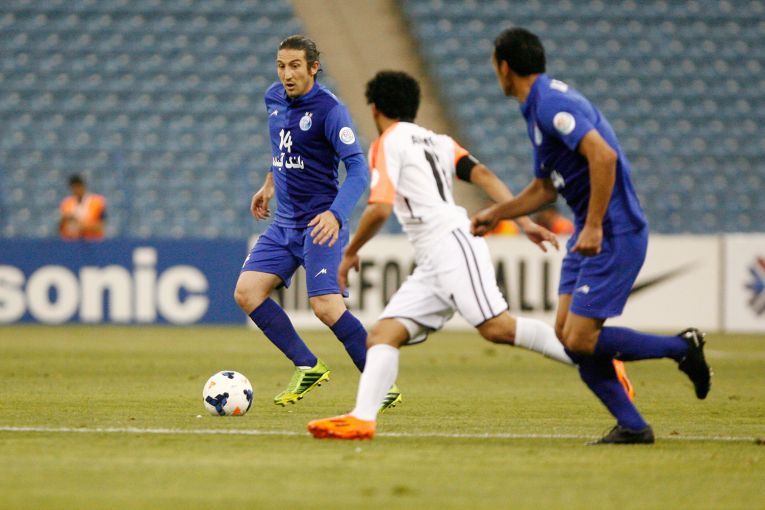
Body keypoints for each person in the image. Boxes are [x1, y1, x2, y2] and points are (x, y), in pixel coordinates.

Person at [307, 71, 632, 440]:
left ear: (375, 109)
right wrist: (524, 222)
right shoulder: (438, 141)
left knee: (498, 328)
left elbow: (380, 208)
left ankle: (601, 361)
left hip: (451, 244)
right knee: (383, 334)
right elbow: (484, 175)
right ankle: (362, 419)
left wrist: (350, 252)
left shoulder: (386, 142)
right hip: (434, 258)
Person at [471, 28, 712, 444]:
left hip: (612, 230)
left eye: (494, 64)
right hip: (590, 230)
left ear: (504, 67)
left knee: (581, 338)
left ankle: (682, 348)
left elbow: (604, 155)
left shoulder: (552, 103)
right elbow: (544, 189)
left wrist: (596, 224)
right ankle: (633, 427)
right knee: (568, 337)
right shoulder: (537, 107)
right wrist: (497, 213)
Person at [234, 35, 400, 409]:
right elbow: (283, 148)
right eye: (281, 66)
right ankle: (308, 365)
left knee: (325, 307)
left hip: (320, 224)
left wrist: (335, 214)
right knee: (247, 292)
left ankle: (382, 384)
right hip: (284, 223)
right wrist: (269, 184)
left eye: (295, 66)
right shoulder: (273, 98)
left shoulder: (330, 110)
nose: (287, 74)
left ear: (313, 67)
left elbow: (358, 169)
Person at [59, 174, 107, 240]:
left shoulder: (97, 202)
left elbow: (101, 226)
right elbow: (61, 227)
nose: (76, 190)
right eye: (74, 187)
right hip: (72, 241)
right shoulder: (67, 203)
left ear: (83, 186)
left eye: (78, 186)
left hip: (92, 241)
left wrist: (80, 226)